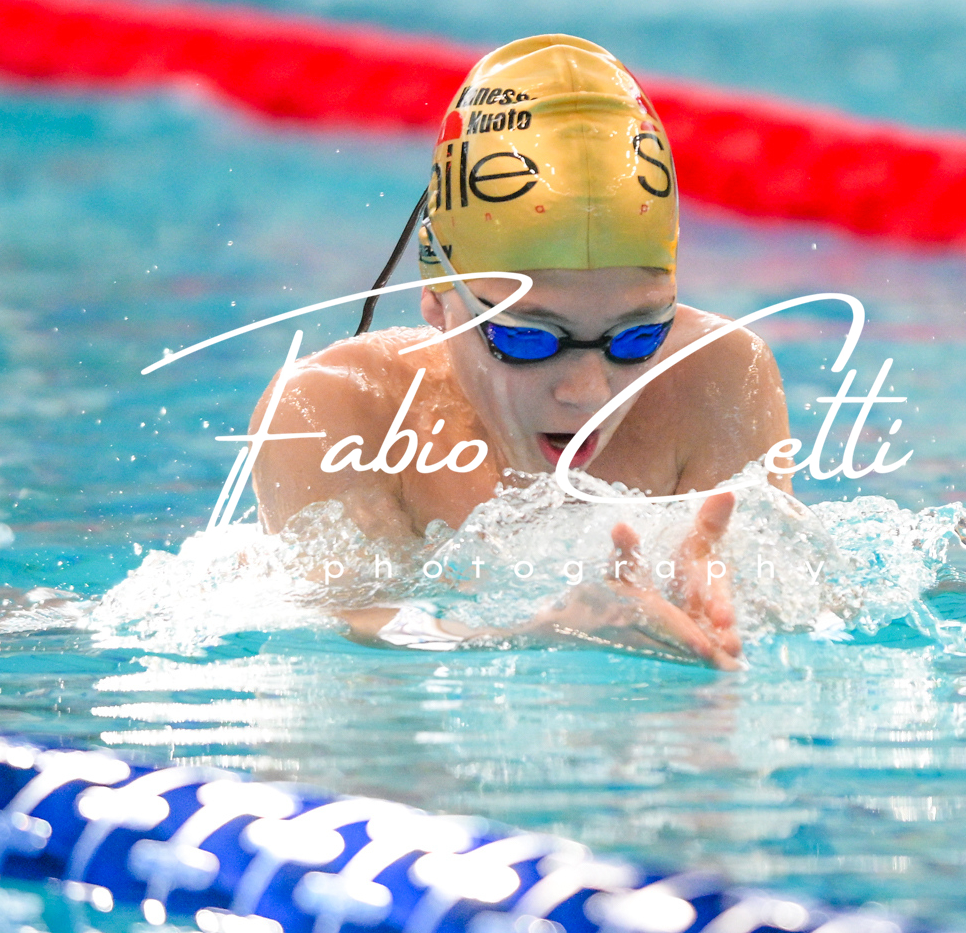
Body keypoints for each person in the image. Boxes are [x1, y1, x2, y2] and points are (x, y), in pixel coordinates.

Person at [247, 35, 791, 670]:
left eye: (639, 336)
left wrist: (752, 601)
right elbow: (343, 635)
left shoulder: (718, 377)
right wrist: (529, 634)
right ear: (438, 299)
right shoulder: (334, 412)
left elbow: (761, 640)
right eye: (526, 338)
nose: (588, 393)